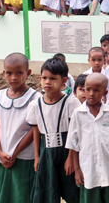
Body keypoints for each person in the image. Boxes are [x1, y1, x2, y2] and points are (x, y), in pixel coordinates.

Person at [26, 58, 81, 203]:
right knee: (48, 190)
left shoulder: (71, 102)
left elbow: (74, 132)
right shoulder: (36, 104)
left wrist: (70, 158)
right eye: (44, 78)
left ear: (64, 81)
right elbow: (36, 131)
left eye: (53, 78)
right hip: (46, 153)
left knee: (72, 190)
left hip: (67, 151)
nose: (48, 82)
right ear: (40, 79)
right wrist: (37, 156)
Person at [65, 73, 109, 202]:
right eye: (87, 89)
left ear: (105, 93)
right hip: (88, 170)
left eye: (96, 90)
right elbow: (73, 144)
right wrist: (77, 170)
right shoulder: (78, 114)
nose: (91, 94)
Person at [0, 53, 41, 203]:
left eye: (19, 73)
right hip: (3, 157)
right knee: (3, 193)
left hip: (24, 157)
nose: (14, 77)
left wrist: (15, 153)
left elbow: (34, 130)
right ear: (3, 73)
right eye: (9, 73)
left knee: (22, 195)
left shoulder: (34, 98)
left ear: (28, 73)